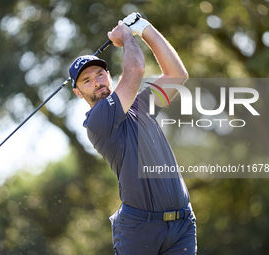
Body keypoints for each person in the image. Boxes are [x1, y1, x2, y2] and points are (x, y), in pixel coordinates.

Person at [69, 13, 197, 255]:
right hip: (140, 230)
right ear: (78, 93)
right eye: (87, 80)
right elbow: (136, 70)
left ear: (108, 75)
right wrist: (127, 36)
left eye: (99, 74)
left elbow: (177, 75)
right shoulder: (97, 121)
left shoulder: (142, 105)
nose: (96, 82)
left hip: (182, 226)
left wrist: (145, 28)